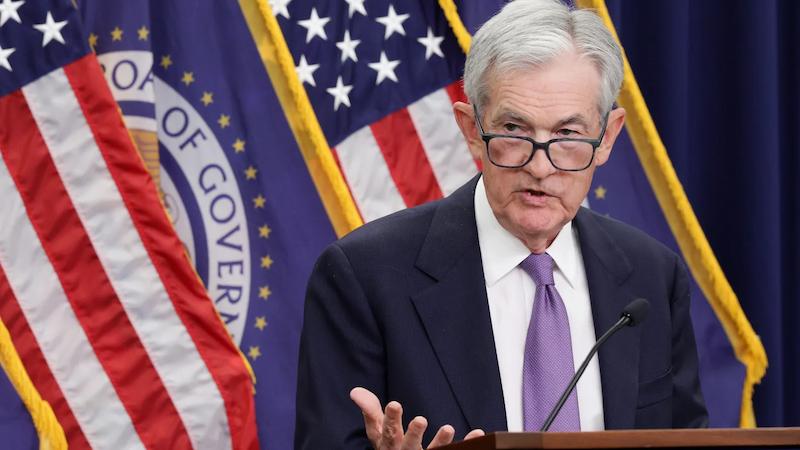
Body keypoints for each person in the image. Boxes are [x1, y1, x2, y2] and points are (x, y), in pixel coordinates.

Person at [295, 0, 708, 448]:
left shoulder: (651, 277)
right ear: (471, 128)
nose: (540, 166)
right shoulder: (364, 277)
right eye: (514, 130)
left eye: (568, 135)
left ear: (606, 137)